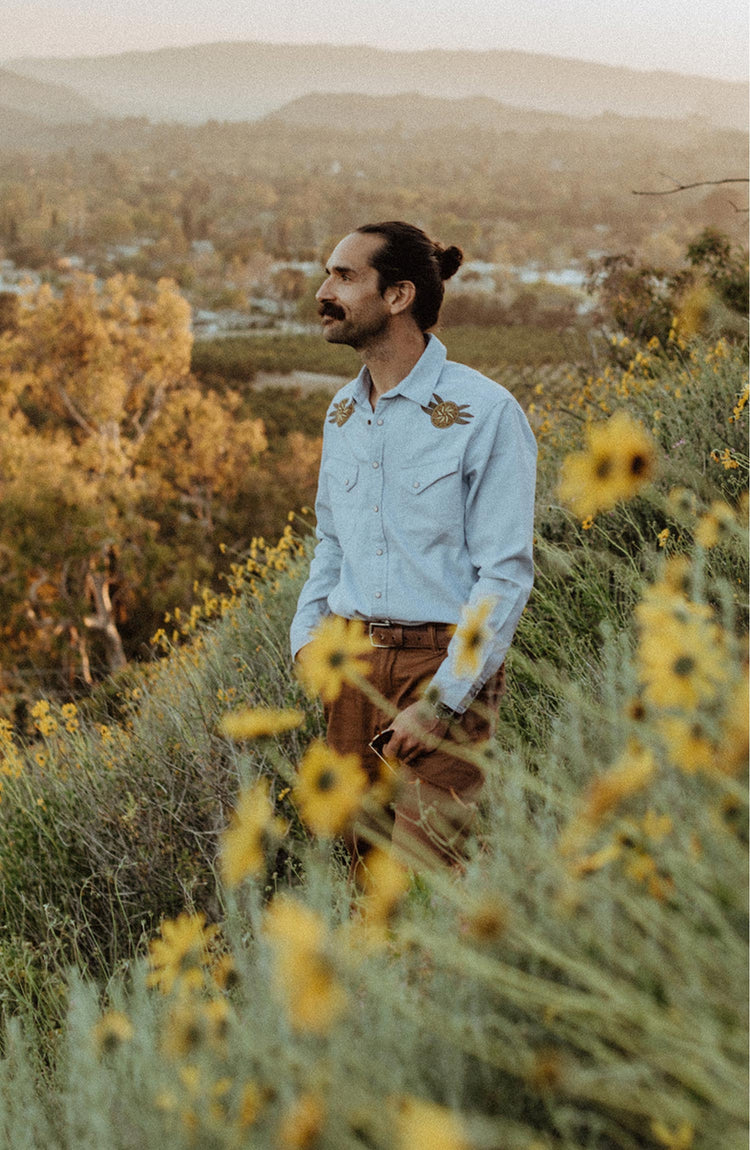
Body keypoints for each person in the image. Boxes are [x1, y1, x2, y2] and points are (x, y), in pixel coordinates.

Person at [290, 221, 537, 869]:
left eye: (344, 277)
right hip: (351, 664)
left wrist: (444, 700)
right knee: (362, 874)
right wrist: (306, 644)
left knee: (429, 877)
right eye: (328, 274)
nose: (324, 290)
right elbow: (331, 544)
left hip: (441, 667)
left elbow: (504, 575)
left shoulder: (485, 413)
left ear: (398, 296)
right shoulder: (342, 412)